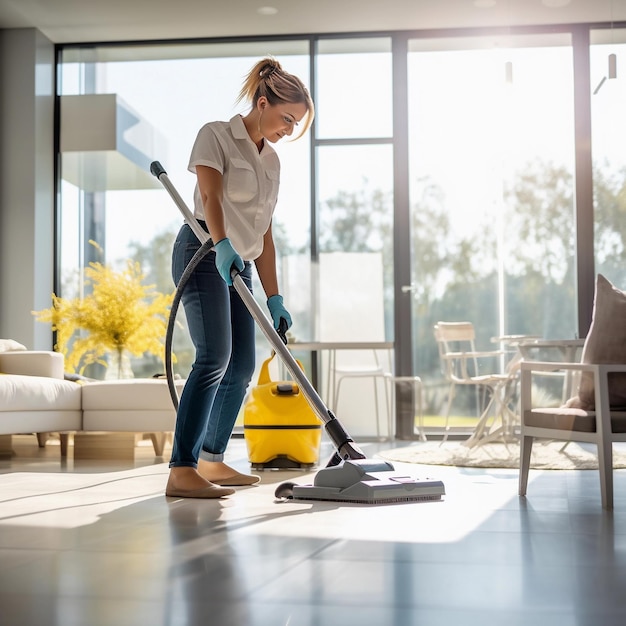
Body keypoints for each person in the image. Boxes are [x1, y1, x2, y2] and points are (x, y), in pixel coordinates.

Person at [165, 58, 315, 499]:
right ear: (263, 102)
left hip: (241, 262)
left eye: (296, 124)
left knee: (243, 366)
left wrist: (275, 296)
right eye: (286, 118)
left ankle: (212, 459)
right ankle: (182, 469)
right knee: (214, 357)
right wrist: (221, 242)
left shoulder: (273, 162)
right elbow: (210, 194)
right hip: (202, 249)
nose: (289, 129)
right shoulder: (216, 134)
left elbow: (265, 231)